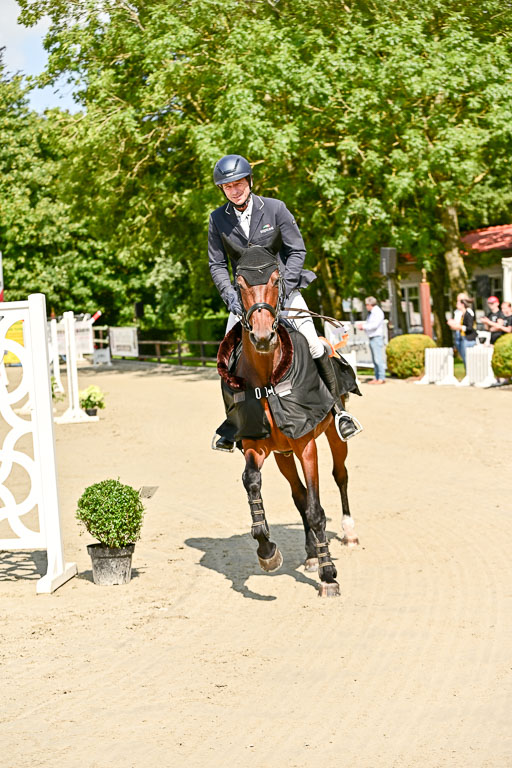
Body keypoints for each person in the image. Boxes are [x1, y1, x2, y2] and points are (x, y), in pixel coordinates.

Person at [208, 154, 359, 450]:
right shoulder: (218, 219)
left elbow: (297, 250)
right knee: (227, 359)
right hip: (246, 301)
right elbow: (216, 264)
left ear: (250, 182)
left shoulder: (275, 209)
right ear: (222, 190)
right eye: (228, 187)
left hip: (282, 292)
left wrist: (286, 288)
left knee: (313, 343)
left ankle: (339, 412)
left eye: (239, 183)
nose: (234, 190)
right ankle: (231, 425)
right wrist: (232, 298)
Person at [357, 297, 386, 384]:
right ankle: (377, 377)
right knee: (375, 359)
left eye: (366, 305)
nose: (366, 307)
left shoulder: (377, 312)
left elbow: (374, 325)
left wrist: (364, 326)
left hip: (376, 337)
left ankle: (381, 378)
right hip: (372, 337)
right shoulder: (373, 313)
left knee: (378, 359)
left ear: (370, 304)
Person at [447, 294, 477, 368]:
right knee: (464, 357)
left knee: (468, 358)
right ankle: (468, 374)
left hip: (468, 339)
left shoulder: (468, 314)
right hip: (462, 337)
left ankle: (470, 374)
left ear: (463, 304)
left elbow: (470, 327)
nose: (456, 304)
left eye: (458, 302)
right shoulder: (461, 314)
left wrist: (459, 327)